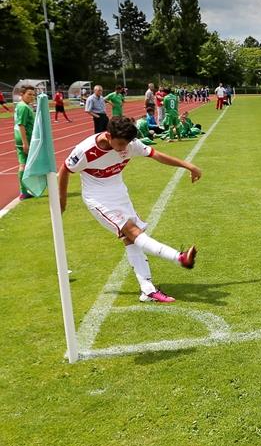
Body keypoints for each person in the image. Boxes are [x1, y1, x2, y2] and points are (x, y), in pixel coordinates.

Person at [58, 116, 200, 304]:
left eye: (127, 144)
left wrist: (187, 165)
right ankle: (179, 258)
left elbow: (156, 155)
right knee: (133, 232)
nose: (125, 148)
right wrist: (62, 199)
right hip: (98, 198)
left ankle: (147, 291)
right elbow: (65, 169)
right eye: (120, 143)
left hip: (119, 193)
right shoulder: (85, 150)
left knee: (130, 239)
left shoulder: (130, 144)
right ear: (108, 136)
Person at [13, 83, 38, 200]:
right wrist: (25, 143)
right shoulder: (23, 107)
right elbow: (21, 125)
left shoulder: (22, 105)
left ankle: (26, 189)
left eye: (33, 95)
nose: (32, 96)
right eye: (29, 94)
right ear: (22, 94)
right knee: (23, 164)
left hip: (23, 138)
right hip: (25, 139)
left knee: (26, 164)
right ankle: (23, 191)